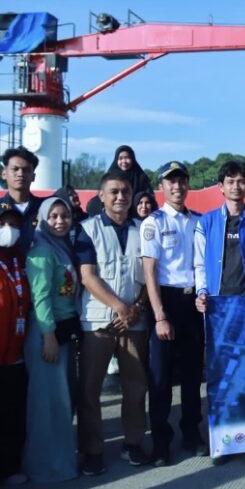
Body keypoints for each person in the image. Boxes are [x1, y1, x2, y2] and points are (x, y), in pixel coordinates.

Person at [194, 160, 245, 467]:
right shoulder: (206, 222)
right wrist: (202, 293)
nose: (236, 186)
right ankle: (223, 442)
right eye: (230, 181)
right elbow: (199, 265)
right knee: (220, 377)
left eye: (242, 181)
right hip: (218, 309)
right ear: (221, 186)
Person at [75, 171, 150, 475]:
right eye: (114, 192)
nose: (121, 197)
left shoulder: (143, 229)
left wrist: (137, 307)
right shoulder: (86, 229)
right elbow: (87, 275)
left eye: (126, 192)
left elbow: (151, 274)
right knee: (90, 390)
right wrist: (120, 307)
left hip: (135, 321)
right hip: (99, 322)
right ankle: (92, 450)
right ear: (101, 196)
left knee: (135, 387)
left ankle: (132, 443)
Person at [141, 161, 207, 466]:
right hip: (165, 302)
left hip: (192, 302)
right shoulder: (152, 222)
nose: (177, 186)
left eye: (181, 181)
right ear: (162, 187)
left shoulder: (199, 221)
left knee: (193, 375)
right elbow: (150, 271)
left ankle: (191, 434)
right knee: (161, 378)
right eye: (170, 182)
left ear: (188, 185)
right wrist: (159, 316)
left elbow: (202, 264)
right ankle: (161, 443)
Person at [22, 197, 80, 482]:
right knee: (47, 405)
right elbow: (40, 297)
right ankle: (46, 468)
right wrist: (47, 337)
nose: (60, 221)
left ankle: (61, 462)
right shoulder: (41, 252)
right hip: (47, 335)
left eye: (65, 216)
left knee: (61, 403)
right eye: (54, 216)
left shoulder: (61, 248)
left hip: (62, 332)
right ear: (44, 219)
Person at [0, 207, 31, 486]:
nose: (8, 229)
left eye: (13, 224)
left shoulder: (20, 261)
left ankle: (10, 467)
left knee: (13, 415)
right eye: (3, 224)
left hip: (16, 356)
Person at [0, 147, 43, 255]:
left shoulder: (45, 208)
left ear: (33, 176)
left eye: (26, 170)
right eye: (15, 169)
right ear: (4, 174)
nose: (20, 174)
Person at [108, 145, 154, 210]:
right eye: (120, 158)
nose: (124, 161)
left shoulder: (141, 177)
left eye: (127, 158)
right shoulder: (110, 177)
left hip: (137, 213)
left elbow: (149, 198)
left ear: (132, 159)